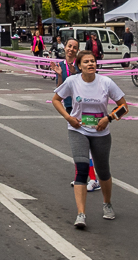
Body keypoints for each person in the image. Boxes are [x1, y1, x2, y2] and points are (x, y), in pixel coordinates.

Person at [52, 50, 127, 230]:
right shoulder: (72, 82)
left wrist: (108, 118)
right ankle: (81, 214)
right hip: (78, 130)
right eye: (86, 62)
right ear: (79, 66)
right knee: (82, 169)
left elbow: (124, 106)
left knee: (102, 171)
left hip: (101, 131)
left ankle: (107, 203)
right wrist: (68, 117)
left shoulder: (106, 82)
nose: (90, 64)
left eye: (92, 61)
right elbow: (56, 99)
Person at [54, 38, 79, 114]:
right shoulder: (60, 65)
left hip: (83, 104)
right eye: (69, 46)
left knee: (87, 124)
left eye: (75, 48)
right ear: (65, 47)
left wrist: (75, 73)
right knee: (73, 124)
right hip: (69, 104)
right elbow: (59, 89)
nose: (71, 49)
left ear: (77, 50)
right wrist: (60, 75)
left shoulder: (80, 64)